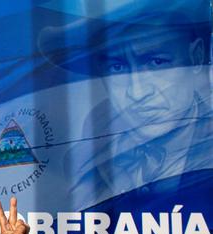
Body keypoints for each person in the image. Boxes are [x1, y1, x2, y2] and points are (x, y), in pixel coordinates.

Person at [39, 7, 212, 209]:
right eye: (117, 67)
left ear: (197, 56)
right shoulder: (86, 160)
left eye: (157, 62)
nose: (137, 92)